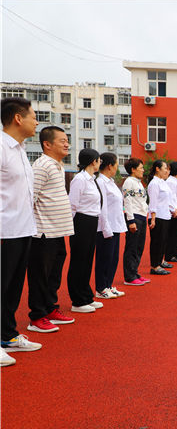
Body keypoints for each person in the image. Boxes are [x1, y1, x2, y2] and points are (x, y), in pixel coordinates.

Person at [1, 97, 42, 365]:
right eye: (33, 116)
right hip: (5, 228)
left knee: (13, 287)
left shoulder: (21, 150)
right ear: (18, 118)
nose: (36, 121)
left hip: (23, 228)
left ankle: (7, 335)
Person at [26, 126, 75, 334]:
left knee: (53, 275)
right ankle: (36, 316)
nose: (66, 144)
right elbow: (30, 198)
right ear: (47, 144)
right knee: (40, 275)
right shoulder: (42, 166)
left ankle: (50, 308)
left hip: (57, 231)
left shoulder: (57, 165)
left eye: (67, 140)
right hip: (43, 232)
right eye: (62, 141)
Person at [67, 148, 104, 313]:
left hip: (91, 221)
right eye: (98, 160)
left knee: (88, 259)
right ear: (92, 161)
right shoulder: (80, 179)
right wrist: (71, 227)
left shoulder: (92, 179)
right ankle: (77, 300)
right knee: (79, 261)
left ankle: (86, 295)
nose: (100, 163)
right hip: (80, 221)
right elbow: (72, 205)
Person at [94, 152, 127, 299]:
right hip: (105, 227)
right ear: (109, 166)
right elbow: (102, 207)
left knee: (113, 258)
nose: (117, 168)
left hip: (116, 225)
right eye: (116, 165)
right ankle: (101, 288)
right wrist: (106, 227)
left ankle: (108, 285)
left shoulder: (111, 181)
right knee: (104, 258)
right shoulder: (100, 182)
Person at [147, 160, 177, 275]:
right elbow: (153, 202)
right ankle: (154, 266)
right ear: (157, 169)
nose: (167, 170)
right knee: (157, 242)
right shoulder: (154, 183)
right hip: (158, 216)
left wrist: (173, 210)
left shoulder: (162, 182)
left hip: (165, 215)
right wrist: (153, 218)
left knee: (163, 241)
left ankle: (160, 261)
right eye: (165, 168)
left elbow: (168, 199)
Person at [122, 158, 150, 285]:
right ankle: (129, 276)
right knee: (132, 248)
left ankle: (135, 272)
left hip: (142, 216)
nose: (143, 170)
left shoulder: (138, 183)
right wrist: (131, 220)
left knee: (139, 247)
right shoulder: (129, 182)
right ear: (133, 169)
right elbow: (127, 201)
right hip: (135, 217)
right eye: (141, 168)